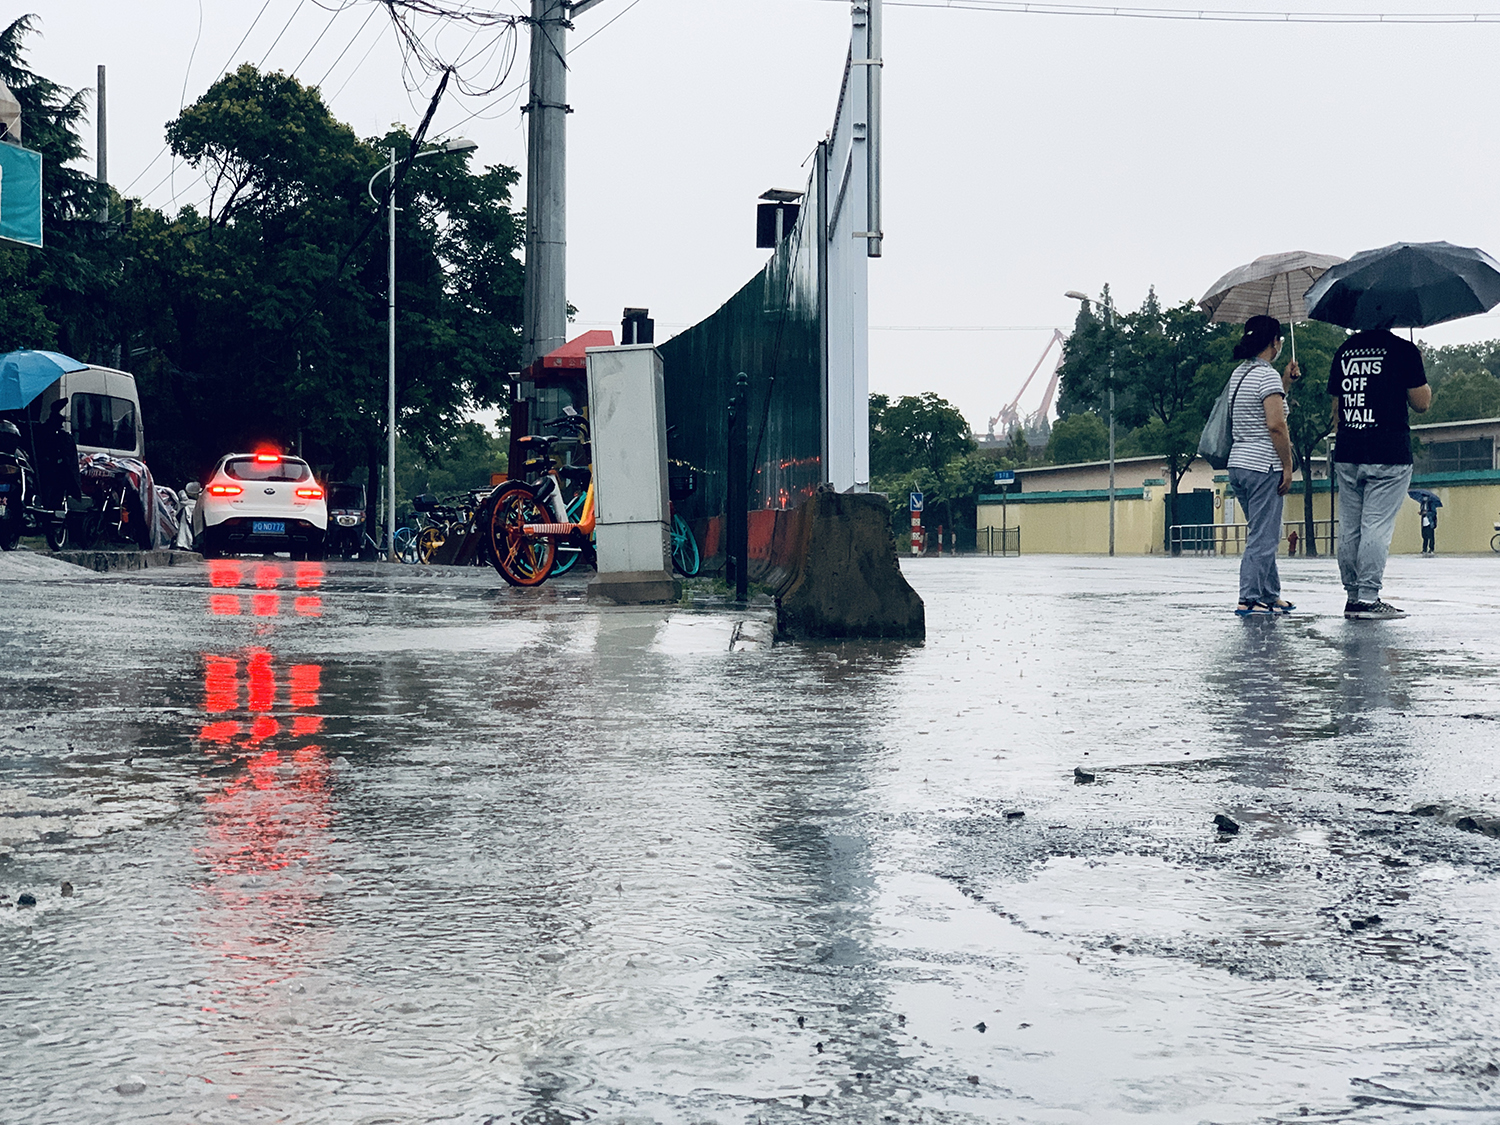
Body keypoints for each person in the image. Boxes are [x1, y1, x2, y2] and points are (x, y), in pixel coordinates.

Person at [1327, 326, 1431, 618]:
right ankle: (1369, 598)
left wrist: (1347, 437)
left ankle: (1352, 595)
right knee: (1376, 527)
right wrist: (1417, 365)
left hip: (1348, 450)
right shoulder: (1404, 351)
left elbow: (1337, 406)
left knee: (1349, 528)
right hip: (1389, 452)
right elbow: (1421, 403)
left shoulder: (1345, 351)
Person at [1226, 315, 1299, 616]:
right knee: (1264, 535)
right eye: (1279, 340)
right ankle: (1249, 597)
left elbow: (1261, 411)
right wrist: (1287, 465)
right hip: (1263, 466)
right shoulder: (1265, 376)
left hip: (1239, 465)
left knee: (1263, 531)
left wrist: (1285, 382)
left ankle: (1270, 594)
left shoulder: (1240, 374)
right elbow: (1275, 426)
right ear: (1273, 342)